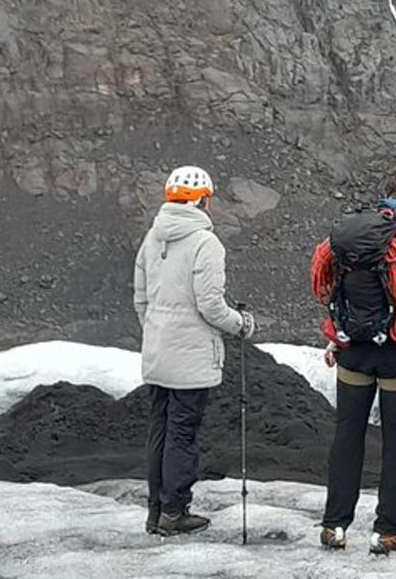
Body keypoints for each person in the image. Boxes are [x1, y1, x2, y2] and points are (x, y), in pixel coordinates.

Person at [317, 162, 396, 555]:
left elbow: (330, 283)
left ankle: (334, 526)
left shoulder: (353, 232)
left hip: (353, 349)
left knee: (348, 436)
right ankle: (388, 530)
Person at [133, 165, 256, 537]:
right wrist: (243, 324)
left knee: (161, 430)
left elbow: (141, 299)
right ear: (203, 199)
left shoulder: (152, 239)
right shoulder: (206, 243)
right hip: (190, 357)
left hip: (157, 352)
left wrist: (158, 332)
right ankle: (175, 512)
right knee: (183, 434)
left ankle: (156, 513)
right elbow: (210, 306)